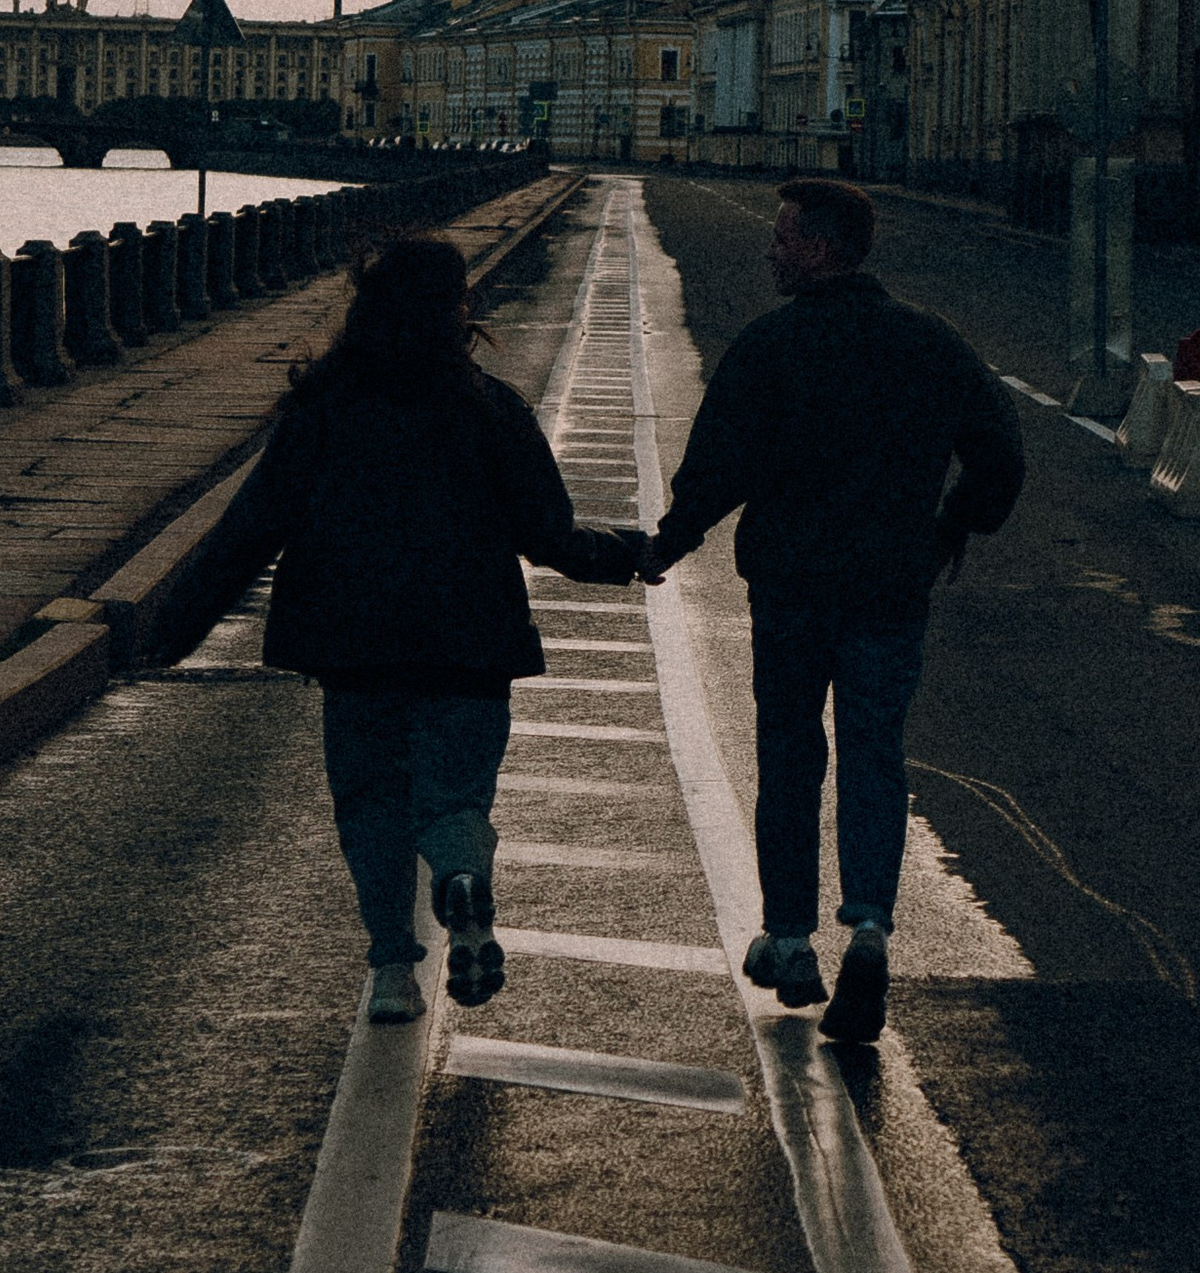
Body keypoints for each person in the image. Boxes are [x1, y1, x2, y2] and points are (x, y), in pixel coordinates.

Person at [164, 232, 639, 1020]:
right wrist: (626, 553)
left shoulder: (322, 407)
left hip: (353, 648)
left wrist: (177, 629)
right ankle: (460, 881)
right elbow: (549, 535)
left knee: (371, 806)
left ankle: (391, 973)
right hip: (470, 646)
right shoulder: (490, 408)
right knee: (453, 800)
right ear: (455, 311)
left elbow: (251, 527)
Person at [640, 177, 1022, 1046]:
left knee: (789, 751)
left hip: (792, 589)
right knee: (874, 750)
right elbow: (999, 456)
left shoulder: (772, 346)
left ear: (818, 248)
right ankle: (872, 928)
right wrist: (951, 526)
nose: (771, 250)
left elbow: (720, 464)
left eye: (783, 238)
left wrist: (670, 542)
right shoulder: (932, 343)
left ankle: (789, 940)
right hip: (891, 586)